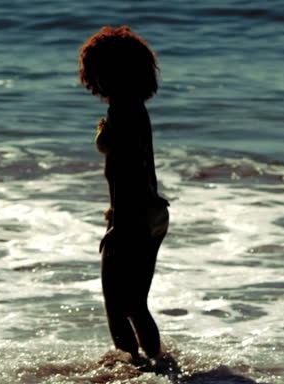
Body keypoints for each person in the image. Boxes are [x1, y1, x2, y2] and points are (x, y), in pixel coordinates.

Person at [78, 26, 170, 361]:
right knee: (135, 304)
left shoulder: (121, 113)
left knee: (117, 306)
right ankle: (160, 366)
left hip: (132, 215)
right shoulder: (136, 109)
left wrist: (119, 225)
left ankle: (132, 371)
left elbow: (125, 173)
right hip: (154, 212)